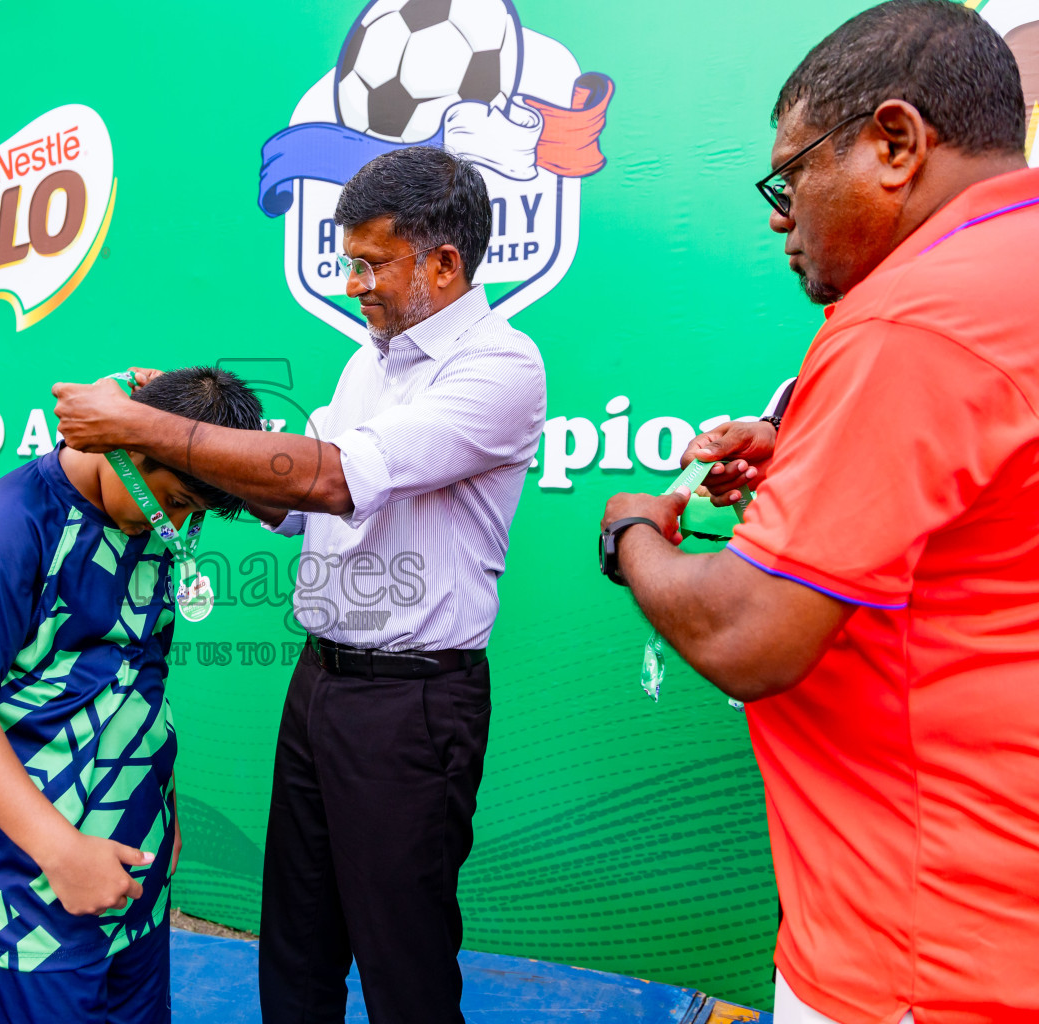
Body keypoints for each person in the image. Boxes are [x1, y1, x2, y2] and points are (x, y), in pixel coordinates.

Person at [597, 3, 1039, 1022]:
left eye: (791, 176)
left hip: (922, 957)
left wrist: (633, 533)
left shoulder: (915, 319)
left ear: (895, 143)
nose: (778, 215)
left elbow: (748, 633)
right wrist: (808, 458)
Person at [54, 146, 547, 1024]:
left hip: (413, 706)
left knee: (405, 964)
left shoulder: (502, 367)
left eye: (369, 263)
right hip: (320, 684)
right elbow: (293, 501)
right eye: (347, 262)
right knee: (295, 945)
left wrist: (151, 426)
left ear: (443, 261)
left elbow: (331, 478)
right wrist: (178, 422)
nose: (354, 284)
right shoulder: (372, 362)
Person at [0, 366, 265, 1023]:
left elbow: (142, 671)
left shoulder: (152, 522)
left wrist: (166, 804)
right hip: (31, 896)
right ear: (128, 452)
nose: (182, 526)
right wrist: (62, 851)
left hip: (135, 877)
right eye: (177, 502)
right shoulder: (8, 528)